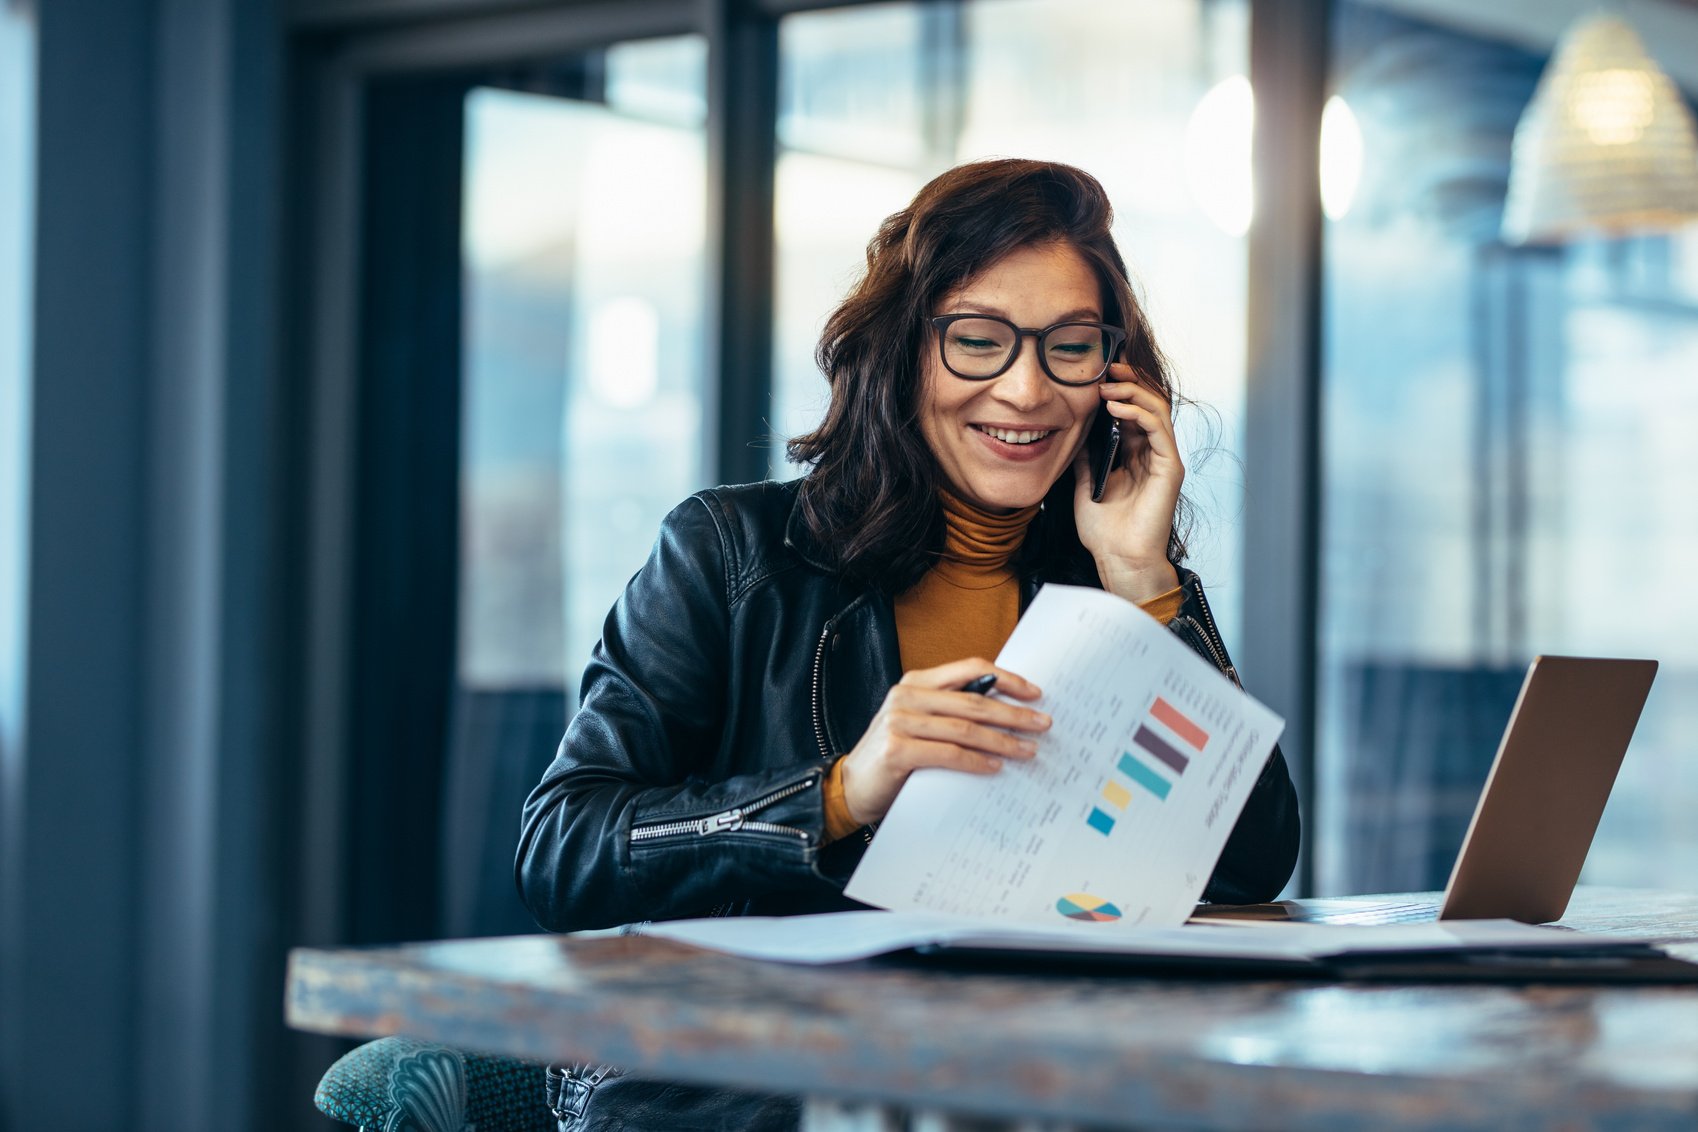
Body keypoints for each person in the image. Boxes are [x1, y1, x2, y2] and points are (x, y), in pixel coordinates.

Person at [515, 158, 1299, 1127]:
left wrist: (1145, 582)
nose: (1026, 389)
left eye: (1071, 347)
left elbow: (1250, 860)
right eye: (977, 341)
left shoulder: (1109, 567)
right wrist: (839, 792)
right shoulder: (733, 551)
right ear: (900, 354)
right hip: (761, 1090)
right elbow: (563, 850)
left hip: (1024, 1085)